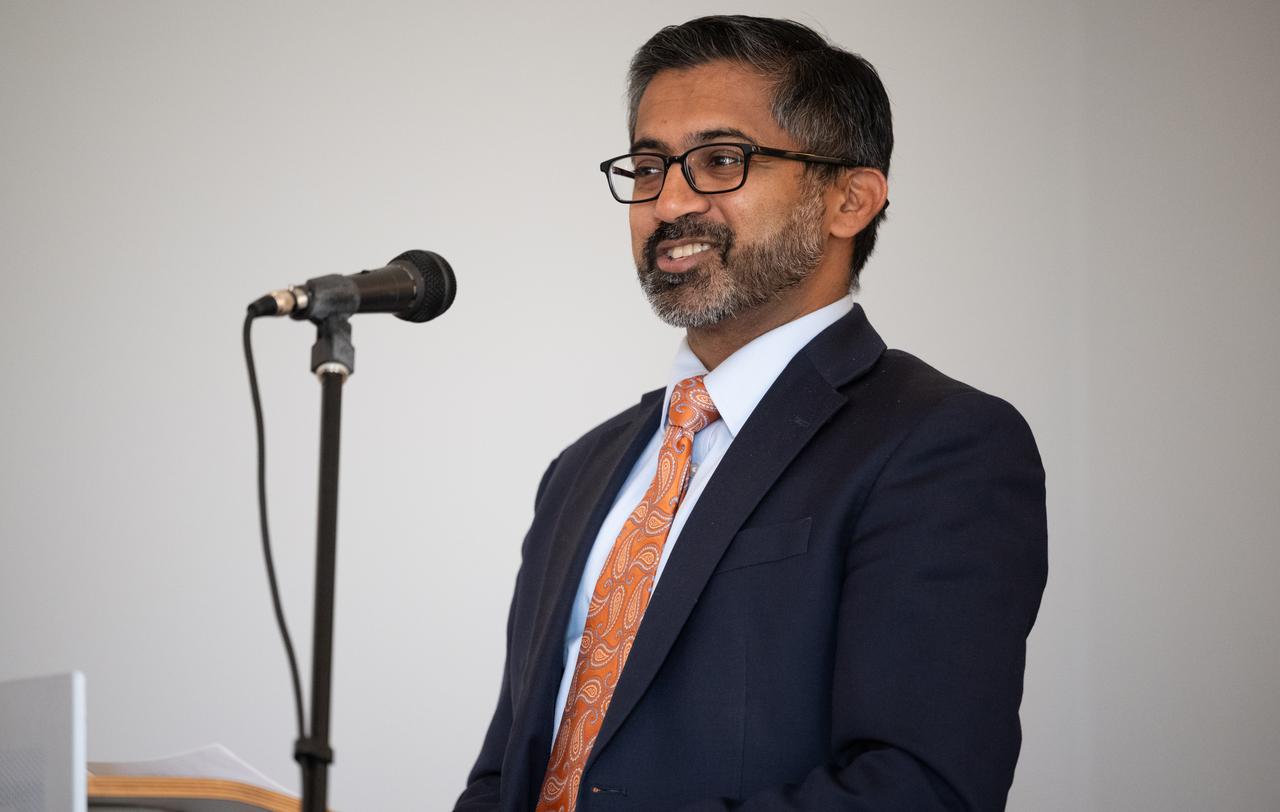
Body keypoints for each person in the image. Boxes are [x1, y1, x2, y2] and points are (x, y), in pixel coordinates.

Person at [455, 15, 1047, 812]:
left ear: (850, 199)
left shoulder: (939, 444)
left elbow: (918, 786)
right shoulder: (580, 471)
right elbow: (505, 775)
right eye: (648, 165)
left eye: (719, 161)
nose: (667, 202)